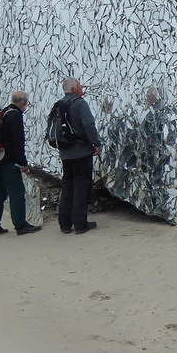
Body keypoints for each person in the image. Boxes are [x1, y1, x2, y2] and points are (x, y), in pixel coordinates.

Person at [0, 91, 42, 236]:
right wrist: (23, 163)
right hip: (9, 162)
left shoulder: (3, 112)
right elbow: (18, 142)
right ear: (24, 103)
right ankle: (21, 225)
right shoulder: (15, 116)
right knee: (17, 193)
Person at [55, 78, 102, 235]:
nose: (82, 87)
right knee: (81, 187)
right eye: (79, 85)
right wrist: (96, 143)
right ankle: (80, 223)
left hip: (65, 153)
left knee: (68, 187)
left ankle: (65, 224)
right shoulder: (79, 103)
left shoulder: (58, 105)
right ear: (74, 89)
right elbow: (88, 125)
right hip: (81, 152)